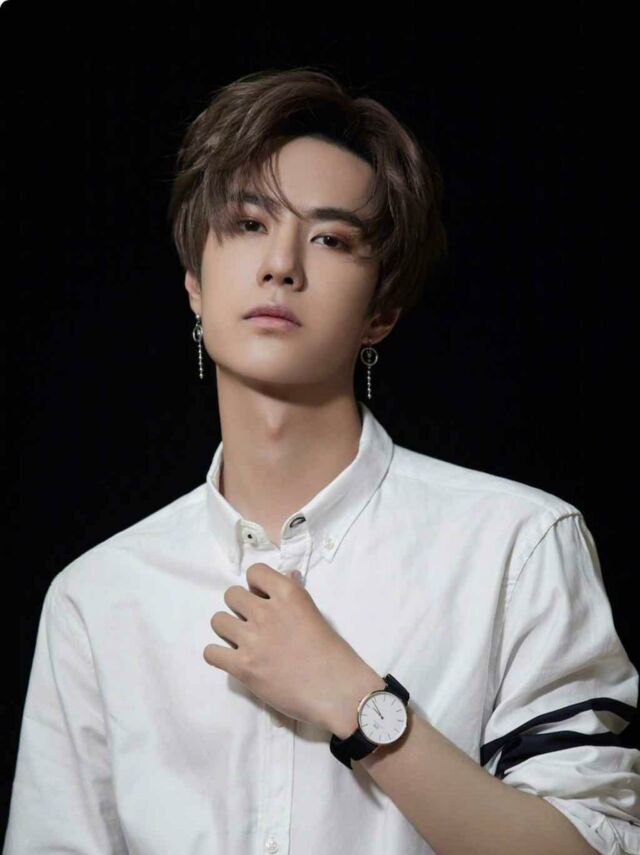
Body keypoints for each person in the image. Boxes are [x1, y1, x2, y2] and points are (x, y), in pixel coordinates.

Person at [4, 67, 639, 855]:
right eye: (247, 224)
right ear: (194, 283)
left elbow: (593, 844)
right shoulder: (98, 599)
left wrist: (358, 703)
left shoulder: (519, 547)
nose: (282, 264)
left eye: (331, 238)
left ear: (382, 311)